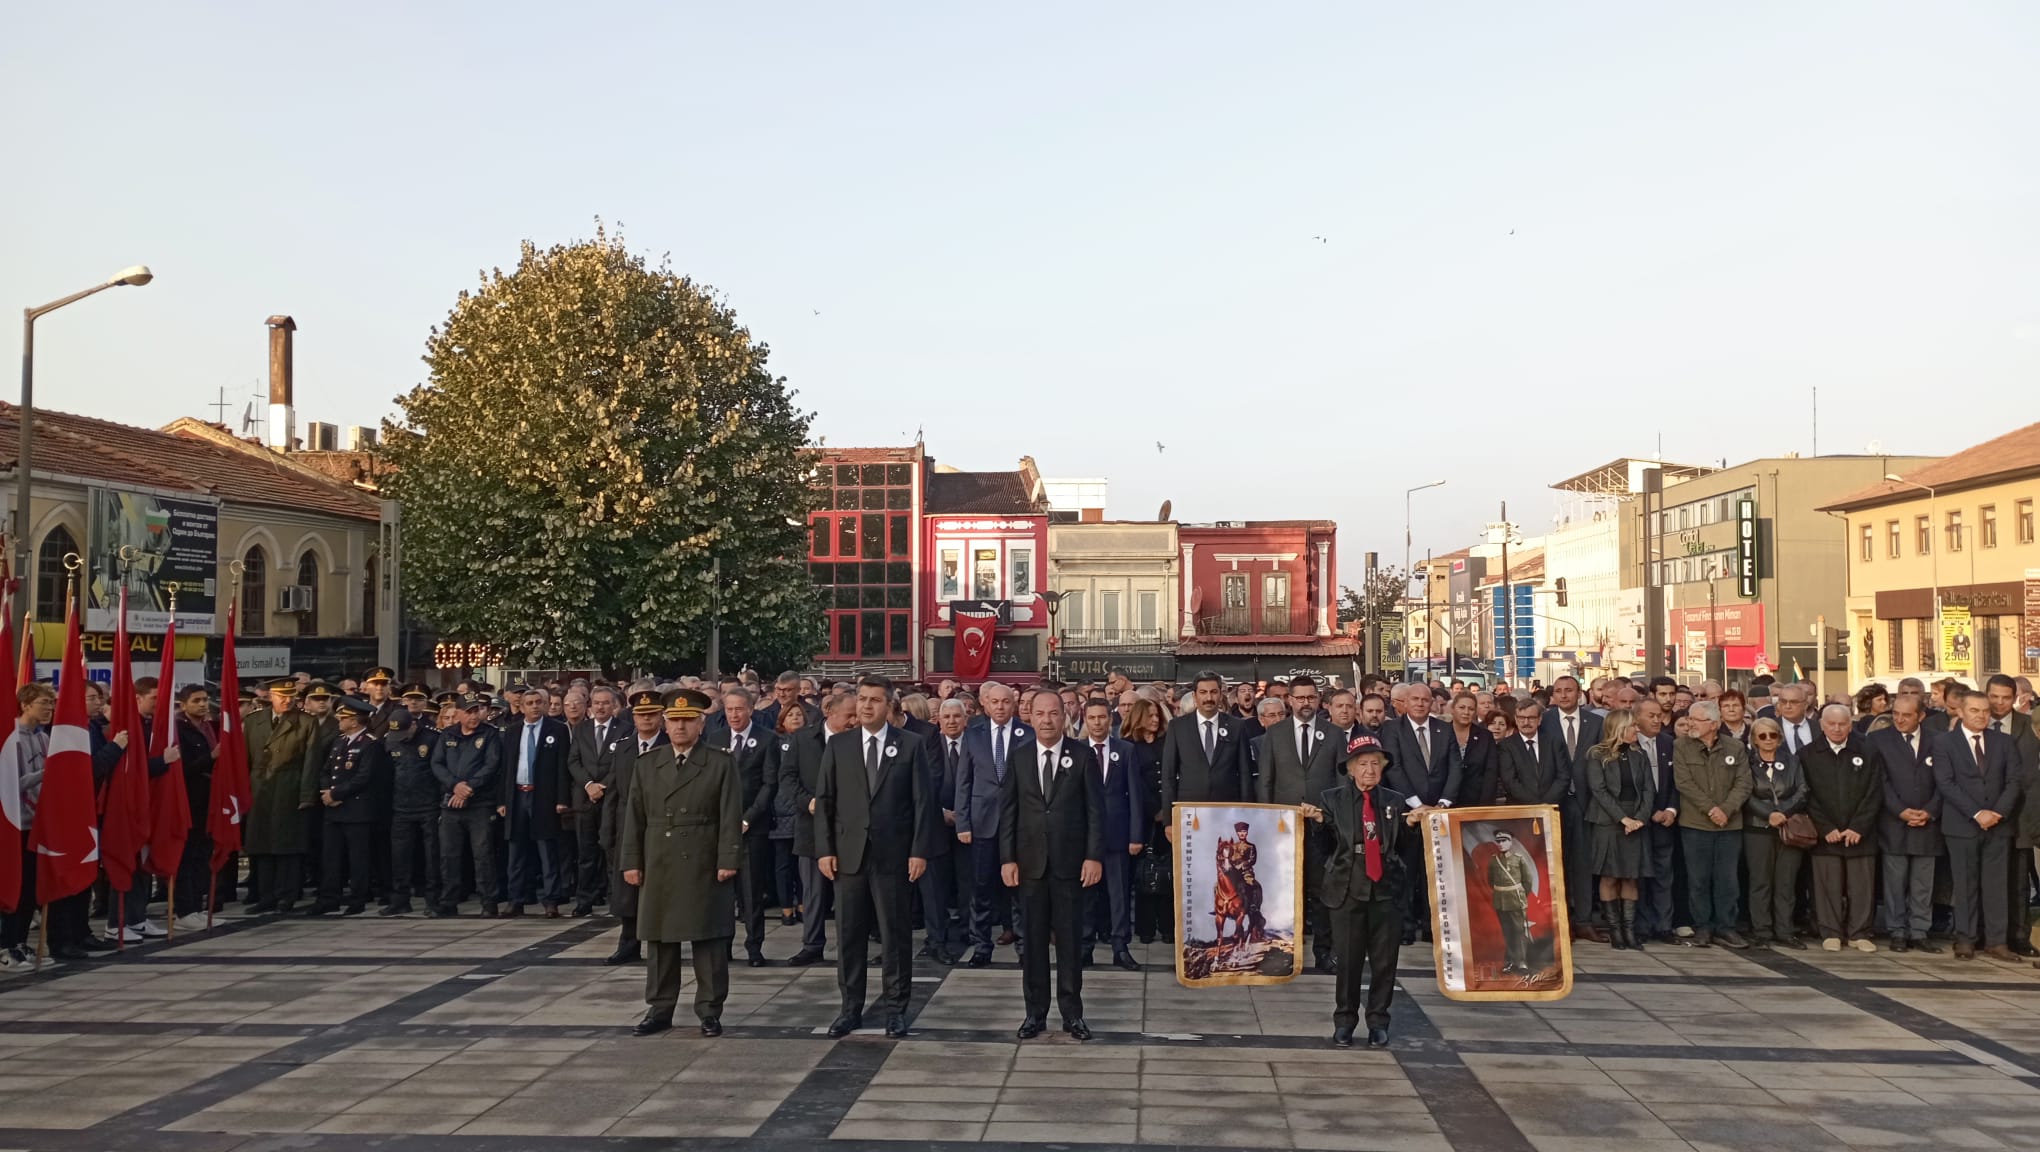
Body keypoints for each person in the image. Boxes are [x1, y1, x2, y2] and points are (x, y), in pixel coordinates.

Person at [815, 676, 938, 1038]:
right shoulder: (839, 745)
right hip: (849, 854)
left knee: (895, 934)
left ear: (889, 706)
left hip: (893, 856)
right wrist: (825, 849)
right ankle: (850, 1008)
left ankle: (895, 1009)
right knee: (850, 935)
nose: (867, 706)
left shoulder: (910, 745)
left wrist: (919, 851)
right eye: (863, 699)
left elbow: (922, 803)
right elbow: (825, 801)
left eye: (875, 700)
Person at [621, 689, 743, 1037]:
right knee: (660, 939)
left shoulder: (720, 762)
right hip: (659, 857)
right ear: (664, 722)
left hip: (703, 857)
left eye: (688, 721)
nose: (680, 727)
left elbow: (729, 814)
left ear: (701, 724)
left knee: (708, 938)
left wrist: (728, 857)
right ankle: (660, 1008)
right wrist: (631, 861)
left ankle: (709, 1010)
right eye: (674, 721)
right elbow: (634, 817)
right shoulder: (648, 763)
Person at [1000, 691, 1104, 1040]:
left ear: (1065, 717)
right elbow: (1009, 812)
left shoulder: (1083, 755)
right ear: (1029, 716)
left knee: (1071, 943)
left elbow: (1095, 812)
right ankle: (1034, 1013)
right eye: (1040, 714)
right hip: (1029, 865)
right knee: (1032, 943)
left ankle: (1073, 1014)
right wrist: (1007, 858)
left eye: (1054, 714)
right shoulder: (1019, 757)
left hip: (1071, 865)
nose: (1046, 720)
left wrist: (1093, 856)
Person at [1306, 734, 1407, 1048]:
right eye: (1363, 764)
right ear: (1350, 768)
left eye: (1375, 764)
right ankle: (1345, 1020)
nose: (1369, 770)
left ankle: (1378, 1021)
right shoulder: (1331, 798)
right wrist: (1320, 825)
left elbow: (1405, 848)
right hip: (1347, 887)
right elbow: (1322, 847)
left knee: (1384, 961)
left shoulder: (1393, 801)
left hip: (1385, 889)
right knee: (1348, 961)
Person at [1937, 688, 2021, 962]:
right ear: (1960, 712)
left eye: (1985, 711)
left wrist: (1997, 812)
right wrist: (1976, 813)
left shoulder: (2004, 742)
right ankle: (1965, 938)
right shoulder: (1944, 743)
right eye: (1974, 710)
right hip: (1962, 825)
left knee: (1997, 885)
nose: (1981, 716)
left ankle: (1997, 941)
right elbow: (1946, 783)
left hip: (1998, 825)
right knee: (1965, 884)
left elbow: (2014, 782)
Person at [954, 682, 1032, 966]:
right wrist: (963, 822)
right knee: (981, 887)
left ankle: (1024, 946)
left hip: (1019, 824)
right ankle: (981, 947)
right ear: (985, 704)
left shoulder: (1028, 734)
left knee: (1019, 888)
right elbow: (964, 782)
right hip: (981, 821)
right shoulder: (973, 735)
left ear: (1014, 704)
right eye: (995, 702)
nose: (1000, 707)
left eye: (1006, 702)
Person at [1798, 703, 1884, 953]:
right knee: (1827, 884)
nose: (1837, 729)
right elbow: (1806, 794)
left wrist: (1859, 826)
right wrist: (1825, 827)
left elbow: (1875, 790)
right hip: (1827, 833)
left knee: (1862, 885)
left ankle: (1859, 932)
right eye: (1831, 724)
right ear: (1822, 725)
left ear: (1851, 724)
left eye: (1842, 724)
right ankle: (1831, 932)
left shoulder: (1868, 750)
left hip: (1861, 832)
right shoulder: (1808, 754)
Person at [1383, 679, 1458, 945]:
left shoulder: (1444, 729)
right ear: (1404, 703)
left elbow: (1454, 768)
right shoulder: (1392, 729)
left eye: (1425, 700)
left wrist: (1443, 804)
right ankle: (1405, 927)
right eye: (1414, 699)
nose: (1419, 704)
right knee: (1406, 871)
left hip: (1440, 813)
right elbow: (1393, 768)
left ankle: (1430, 926)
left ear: (1432, 703)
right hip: (1408, 814)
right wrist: (1417, 805)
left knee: (1436, 873)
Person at [782, 690, 853, 966]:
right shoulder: (803, 739)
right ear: (830, 712)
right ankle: (812, 944)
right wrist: (806, 802)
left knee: (847, 893)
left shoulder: (856, 740)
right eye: (849, 715)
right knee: (812, 892)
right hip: (811, 826)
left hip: (848, 829)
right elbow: (787, 778)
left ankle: (849, 944)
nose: (853, 721)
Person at [1672, 701, 1751, 949]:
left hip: (1729, 825)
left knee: (1727, 879)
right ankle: (1702, 926)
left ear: (1714, 724)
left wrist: (1726, 809)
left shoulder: (1735, 747)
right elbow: (1684, 783)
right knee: (1698, 879)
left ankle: (1725, 926)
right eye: (1689, 718)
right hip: (1696, 824)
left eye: (1696, 720)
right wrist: (1710, 809)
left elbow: (1744, 783)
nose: (1690, 723)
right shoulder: (1681, 746)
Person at [1075, 697, 1145, 971]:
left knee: (1119, 895)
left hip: (1117, 834)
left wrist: (1136, 836)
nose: (1097, 723)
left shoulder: (1125, 750)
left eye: (1102, 717)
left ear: (1111, 719)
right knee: (1085, 895)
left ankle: (1120, 947)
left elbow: (1136, 796)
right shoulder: (1076, 750)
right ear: (1085, 720)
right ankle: (1084, 947)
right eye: (1092, 718)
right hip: (1084, 837)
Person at [1869, 694, 1941, 953]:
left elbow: (1944, 781)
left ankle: (1920, 931)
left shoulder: (1937, 740)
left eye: (1906, 715)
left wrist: (1929, 811)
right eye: (1896, 713)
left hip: (1927, 823)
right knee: (1895, 881)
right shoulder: (1878, 740)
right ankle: (1897, 930)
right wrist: (1900, 811)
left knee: (1923, 883)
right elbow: (1879, 781)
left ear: (1921, 716)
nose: (1899, 719)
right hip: (1894, 823)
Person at [604, 690, 668, 965]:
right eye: (641, 715)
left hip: (660, 826)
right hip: (627, 827)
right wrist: (607, 831)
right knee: (627, 890)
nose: (646, 719)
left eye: (652, 714)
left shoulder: (669, 745)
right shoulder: (624, 747)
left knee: (659, 888)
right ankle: (628, 944)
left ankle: (661, 944)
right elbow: (614, 792)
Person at [245, 677, 318, 914]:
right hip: (260, 788)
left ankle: (286, 896)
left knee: (287, 847)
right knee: (262, 846)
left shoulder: (306, 722)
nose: (288, 701)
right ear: (271, 697)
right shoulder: (254, 721)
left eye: (291, 697)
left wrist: (306, 794)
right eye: (282, 696)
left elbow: (311, 761)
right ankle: (265, 895)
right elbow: (245, 759)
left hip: (289, 788)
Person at [1539, 676, 1604, 944]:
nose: (1564, 695)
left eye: (1569, 690)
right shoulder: (1545, 721)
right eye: (1559, 691)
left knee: (1583, 862)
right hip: (1554, 800)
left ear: (1580, 693)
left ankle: (1585, 920)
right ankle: (1560, 920)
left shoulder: (1596, 723)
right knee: (1556, 862)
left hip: (1587, 800)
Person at [308, 697, 387, 916]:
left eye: (343, 718)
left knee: (358, 858)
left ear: (354, 721)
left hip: (356, 809)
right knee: (330, 857)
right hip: (333, 809)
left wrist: (337, 793)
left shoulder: (370, 744)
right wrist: (326, 791)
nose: (339, 722)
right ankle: (329, 897)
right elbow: (326, 770)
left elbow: (364, 777)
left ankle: (358, 898)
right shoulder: (339, 741)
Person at [1585, 709, 1655, 950]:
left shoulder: (1639, 754)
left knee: (1631, 876)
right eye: (1632, 726)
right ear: (1619, 728)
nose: (1637, 729)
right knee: (1609, 875)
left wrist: (1640, 819)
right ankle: (1615, 931)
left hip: (1636, 819)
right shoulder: (1597, 754)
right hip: (1608, 820)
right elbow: (1599, 790)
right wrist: (1623, 819)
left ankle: (1629, 930)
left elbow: (1648, 790)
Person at [497, 688, 569, 917]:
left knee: (547, 850)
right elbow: (505, 767)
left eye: (539, 702)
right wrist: (502, 800)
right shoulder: (512, 730)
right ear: (522, 706)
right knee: (516, 850)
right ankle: (515, 899)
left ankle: (551, 900)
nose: (535, 706)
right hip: (517, 794)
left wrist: (561, 799)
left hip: (544, 797)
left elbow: (562, 767)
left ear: (545, 704)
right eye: (530, 703)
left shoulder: (557, 730)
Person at [431, 693, 503, 918]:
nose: (474, 716)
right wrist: (455, 786)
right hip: (451, 802)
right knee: (449, 855)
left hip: (479, 804)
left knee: (483, 855)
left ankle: (488, 902)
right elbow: (437, 764)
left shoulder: (489, 734)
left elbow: (491, 766)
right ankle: (448, 901)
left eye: (477, 711)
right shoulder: (447, 735)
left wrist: (468, 788)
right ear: (459, 713)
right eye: (469, 711)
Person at [1741, 717, 1808, 949]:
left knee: (1786, 882)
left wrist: (1783, 812)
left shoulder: (1792, 760)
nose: (1768, 739)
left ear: (1780, 738)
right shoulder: (1747, 763)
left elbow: (1802, 789)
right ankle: (1761, 931)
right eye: (1762, 736)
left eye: (1773, 735)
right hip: (1757, 828)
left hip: (1788, 827)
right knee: (1760, 882)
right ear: (1754, 740)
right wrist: (1768, 814)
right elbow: (1745, 794)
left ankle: (1785, 930)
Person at [566, 685, 626, 917]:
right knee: (586, 853)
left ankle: (615, 900)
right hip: (584, 798)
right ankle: (585, 899)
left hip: (611, 798)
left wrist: (603, 786)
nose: (601, 707)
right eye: (597, 703)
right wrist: (589, 785)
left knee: (611, 851)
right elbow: (573, 761)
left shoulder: (624, 729)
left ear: (614, 706)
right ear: (590, 706)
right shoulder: (581, 729)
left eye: (605, 703)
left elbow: (620, 763)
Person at [382, 685, 441, 917]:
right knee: (399, 856)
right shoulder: (391, 741)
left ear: (414, 725)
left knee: (432, 856)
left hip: (428, 805)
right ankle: (399, 900)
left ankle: (433, 900)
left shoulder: (432, 738)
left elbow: (437, 770)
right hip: (401, 806)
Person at [919, 699, 969, 966]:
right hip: (935, 824)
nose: (951, 721)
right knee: (935, 887)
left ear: (965, 719)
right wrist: (941, 813)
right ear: (938, 720)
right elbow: (921, 787)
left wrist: (964, 816)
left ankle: (966, 931)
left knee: (966, 882)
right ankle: (936, 937)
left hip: (967, 826)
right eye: (946, 716)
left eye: (956, 716)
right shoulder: (928, 746)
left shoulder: (975, 745)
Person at [1159, 671, 1246, 822]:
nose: (1208, 698)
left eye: (1213, 692)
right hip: (1189, 811)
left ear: (1220, 695)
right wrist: (1169, 820)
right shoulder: (1178, 727)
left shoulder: (1236, 726)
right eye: (1203, 692)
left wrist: (1247, 813)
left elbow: (1245, 773)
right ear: (1194, 696)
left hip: (1228, 810)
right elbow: (1168, 775)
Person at [168, 683, 219, 931]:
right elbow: (183, 769)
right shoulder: (179, 730)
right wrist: (211, 757)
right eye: (196, 700)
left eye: (205, 699)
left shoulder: (208, 728)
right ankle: (184, 909)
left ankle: (197, 907)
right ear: (183, 704)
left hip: (207, 802)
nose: (202, 704)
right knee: (186, 858)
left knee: (201, 856)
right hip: (189, 800)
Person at [1449, 692, 1499, 808]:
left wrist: (1484, 806)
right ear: (1452, 709)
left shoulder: (1485, 736)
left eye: (1471, 709)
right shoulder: (1442, 733)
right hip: (1446, 803)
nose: (1466, 712)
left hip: (1477, 802)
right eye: (1462, 707)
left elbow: (1490, 773)